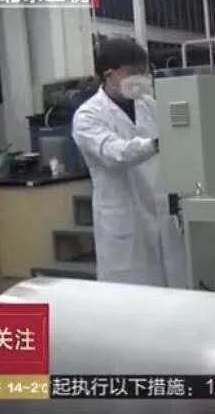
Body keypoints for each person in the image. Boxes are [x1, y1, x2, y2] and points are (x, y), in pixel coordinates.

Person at [72, 37, 164, 285]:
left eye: (143, 72)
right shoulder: (87, 115)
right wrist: (156, 144)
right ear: (109, 74)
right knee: (126, 293)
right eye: (133, 72)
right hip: (121, 218)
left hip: (156, 208)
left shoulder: (148, 105)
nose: (141, 78)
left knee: (165, 289)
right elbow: (114, 154)